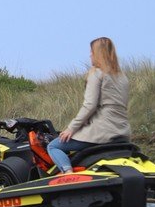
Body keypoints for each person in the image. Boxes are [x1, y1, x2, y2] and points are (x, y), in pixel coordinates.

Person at [47, 37, 130, 174]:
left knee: (54, 146)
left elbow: (89, 105)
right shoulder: (123, 77)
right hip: (122, 131)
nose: (90, 55)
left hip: (102, 132)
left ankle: (68, 174)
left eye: (91, 52)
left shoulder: (96, 73)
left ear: (97, 54)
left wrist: (70, 129)